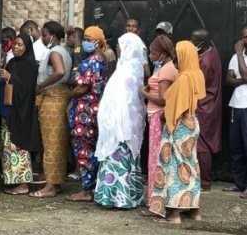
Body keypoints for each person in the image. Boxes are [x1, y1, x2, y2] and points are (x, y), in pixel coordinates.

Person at [149, 41, 205, 223]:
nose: (176, 59)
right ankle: (194, 210)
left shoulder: (183, 79)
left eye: (179, 55)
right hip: (192, 123)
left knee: (174, 166)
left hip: (179, 125)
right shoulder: (197, 75)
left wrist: (168, 122)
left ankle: (173, 213)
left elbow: (173, 106)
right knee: (191, 165)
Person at [94, 33, 146, 208]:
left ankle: (116, 198)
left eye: (119, 45)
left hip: (120, 126)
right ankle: (127, 196)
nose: (116, 48)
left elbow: (123, 102)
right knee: (126, 161)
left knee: (117, 161)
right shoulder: (131, 68)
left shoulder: (126, 71)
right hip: (128, 125)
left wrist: (115, 125)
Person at [30, 21, 73, 198]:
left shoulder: (55, 52)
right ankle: (56, 181)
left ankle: (50, 185)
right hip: (61, 97)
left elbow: (60, 71)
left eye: (45, 35)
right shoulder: (66, 52)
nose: (43, 38)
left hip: (52, 98)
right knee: (59, 142)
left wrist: (41, 86)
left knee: (51, 143)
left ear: (53, 36)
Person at [67, 26, 108, 202]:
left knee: (83, 148)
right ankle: (92, 186)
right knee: (92, 147)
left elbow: (83, 87)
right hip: (97, 107)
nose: (85, 41)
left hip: (85, 109)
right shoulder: (102, 59)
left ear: (97, 41)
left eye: (88, 38)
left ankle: (86, 190)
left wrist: (69, 95)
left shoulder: (91, 61)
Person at [0, 34, 42, 195]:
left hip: (23, 113)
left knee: (20, 146)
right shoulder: (11, 63)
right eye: (15, 44)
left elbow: (27, 90)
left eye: (20, 45)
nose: (16, 47)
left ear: (27, 48)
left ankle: (23, 183)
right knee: (9, 147)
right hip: (11, 111)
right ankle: (14, 181)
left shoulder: (30, 65)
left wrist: (10, 77)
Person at [142, 35, 178, 205]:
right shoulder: (165, 67)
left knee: (156, 158)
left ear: (162, 54)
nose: (150, 56)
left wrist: (144, 93)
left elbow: (164, 99)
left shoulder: (165, 71)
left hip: (158, 116)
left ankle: (156, 200)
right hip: (155, 115)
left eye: (153, 53)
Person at [225, 26, 247, 199]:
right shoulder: (233, 57)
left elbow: (245, 72)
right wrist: (246, 79)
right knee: (236, 146)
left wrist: (239, 54)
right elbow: (229, 80)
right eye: (245, 37)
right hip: (236, 105)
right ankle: (240, 183)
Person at [191, 29, 222, 192]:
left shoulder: (205, 61)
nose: (192, 43)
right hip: (210, 102)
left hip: (204, 104)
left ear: (202, 43)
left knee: (202, 145)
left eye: (194, 41)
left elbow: (197, 85)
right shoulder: (213, 51)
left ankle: (205, 182)